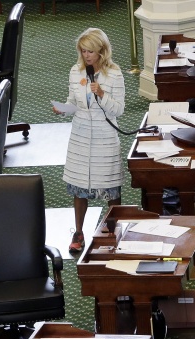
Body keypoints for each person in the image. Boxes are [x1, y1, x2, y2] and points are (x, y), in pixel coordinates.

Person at [55, 27, 125, 257]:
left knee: (111, 189)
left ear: (102, 51)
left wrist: (103, 94)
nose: (86, 56)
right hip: (81, 137)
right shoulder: (75, 72)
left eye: (90, 52)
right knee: (79, 189)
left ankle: (116, 231)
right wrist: (63, 110)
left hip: (105, 137)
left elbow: (119, 110)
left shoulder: (114, 74)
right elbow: (73, 102)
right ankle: (78, 233)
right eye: (83, 51)